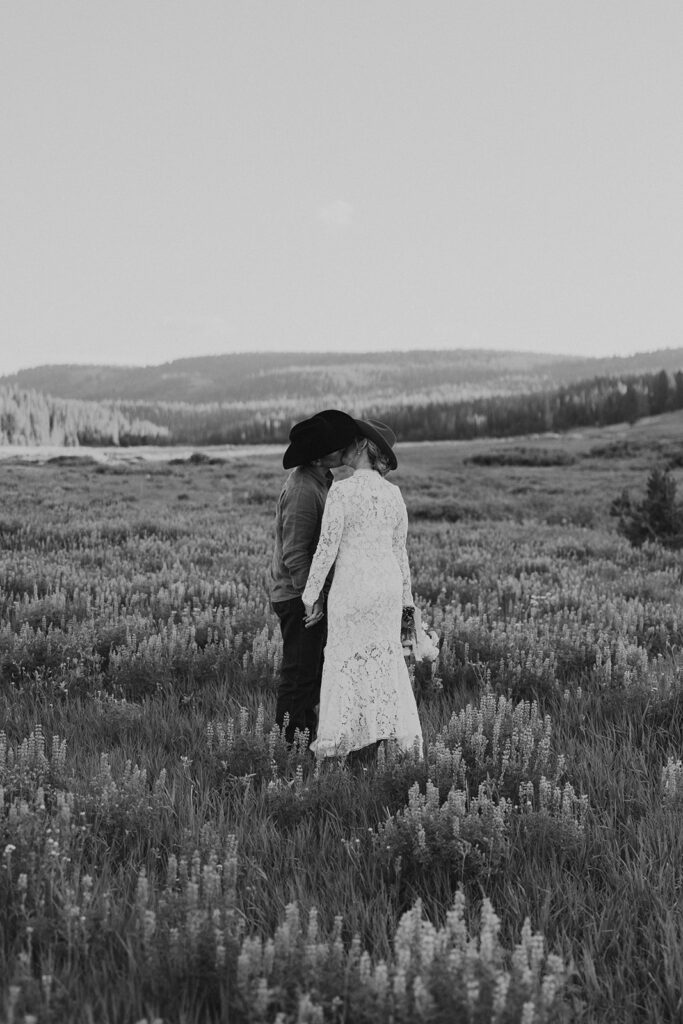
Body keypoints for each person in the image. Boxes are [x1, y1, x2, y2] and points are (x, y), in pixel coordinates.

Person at [302, 419, 423, 760]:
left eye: (350, 441)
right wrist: (407, 603)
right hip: (386, 591)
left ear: (360, 448)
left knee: (344, 661)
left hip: (352, 590)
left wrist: (310, 596)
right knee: (385, 660)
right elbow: (400, 554)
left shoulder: (341, 491)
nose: (344, 446)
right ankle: (392, 741)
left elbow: (326, 549)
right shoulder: (393, 494)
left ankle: (338, 742)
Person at [271, 409, 358, 746]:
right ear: (320, 456)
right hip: (298, 597)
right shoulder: (303, 490)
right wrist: (313, 599)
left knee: (310, 672)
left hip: (306, 594)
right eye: (336, 446)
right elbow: (295, 553)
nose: (343, 449)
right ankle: (288, 746)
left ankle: (303, 740)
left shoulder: (321, 481)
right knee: (299, 675)